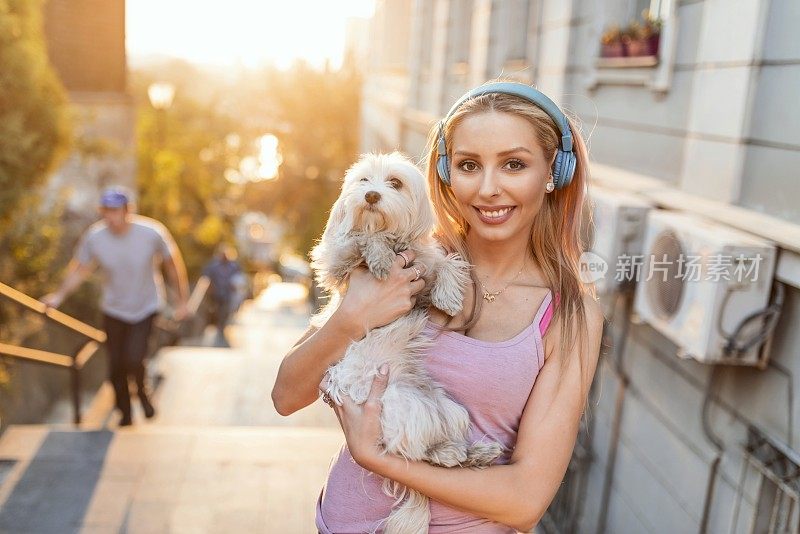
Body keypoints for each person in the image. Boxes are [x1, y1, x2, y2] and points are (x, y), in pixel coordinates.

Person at [271, 80, 605, 532]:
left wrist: (378, 459)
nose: (488, 188)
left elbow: (526, 501)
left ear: (553, 172)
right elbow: (287, 395)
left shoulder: (569, 315)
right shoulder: (407, 261)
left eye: (513, 164)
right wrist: (351, 316)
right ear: (447, 173)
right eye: (469, 165)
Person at [42, 186, 189, 426]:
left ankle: (142, 392)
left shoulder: (151, 232)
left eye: (115, 211)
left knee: (134, 358)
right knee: (115, 367)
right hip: (113, 308)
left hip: (146, 306)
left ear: (127, 211)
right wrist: (58, 296)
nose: (109, 217)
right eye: (106, 211)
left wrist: (181, 301)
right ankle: (125, 413)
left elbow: (172, 265)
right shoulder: (95, 237)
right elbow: (80, 269)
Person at [200, 243, 244, 347]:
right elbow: (206, 276)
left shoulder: (234, 266)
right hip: (216, 294)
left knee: (226, 311)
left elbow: (239, 278)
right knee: (218, 311)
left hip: (228, 294)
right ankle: (219, 328)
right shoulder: (213, 266)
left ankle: (222, 328)